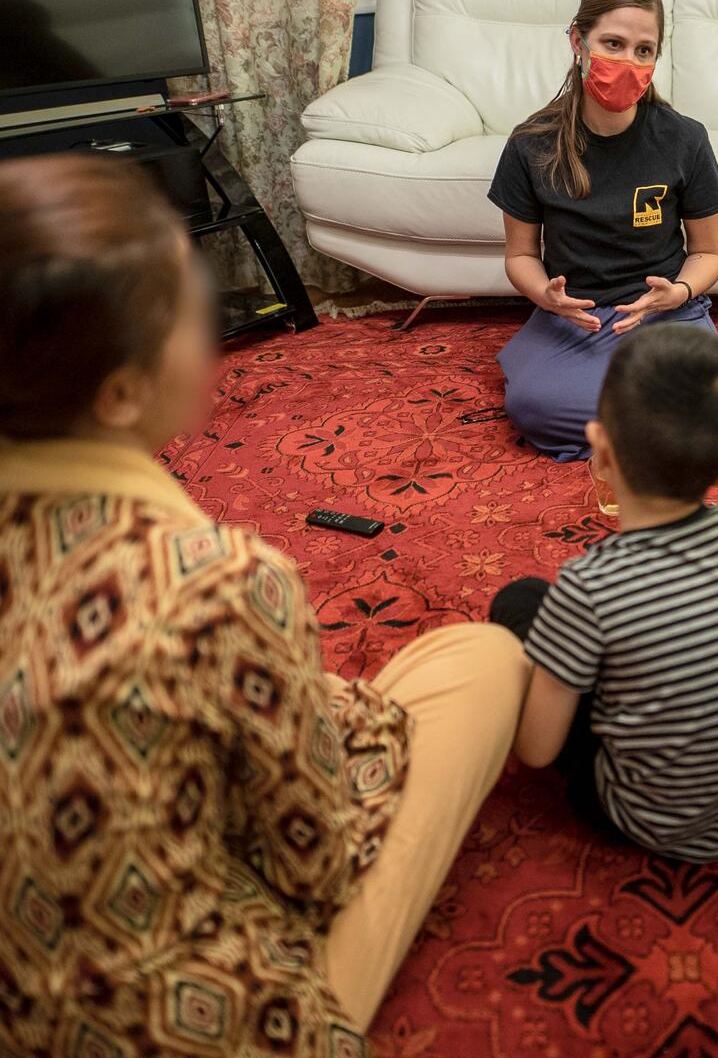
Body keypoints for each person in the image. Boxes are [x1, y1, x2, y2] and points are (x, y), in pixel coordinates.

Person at [0, 155, 528, 1054]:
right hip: (185, 1021)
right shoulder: (215, 582)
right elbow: (314, 861)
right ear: (121, 392)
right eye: (188, 302)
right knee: (483, 661)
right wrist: (363, 739)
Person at [490, 325, 718, 861]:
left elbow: (537, 753)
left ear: (601, 456)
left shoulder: (590, 587)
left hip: (645, 819)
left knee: (518, 601)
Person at [489, 0, 718, 470]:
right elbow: (521, 255)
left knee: (663, 391)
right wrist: (543, 294)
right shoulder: (531, 142)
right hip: (576, 317)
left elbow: (708, 253)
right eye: (613, 43)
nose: (629, 63)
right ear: (578, 41)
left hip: (663, 313)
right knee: (535, 409)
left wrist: (678, 292)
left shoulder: (685, 139)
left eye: (644, 50)